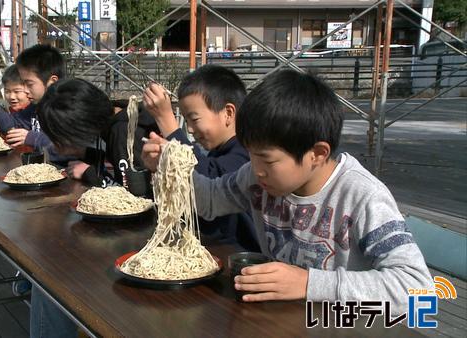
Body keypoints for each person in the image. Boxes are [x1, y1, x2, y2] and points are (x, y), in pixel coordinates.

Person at [142, 70, 433, 313]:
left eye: (267, 159)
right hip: (279, 319)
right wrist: (169, 166)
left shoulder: (361, 197)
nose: (255, 169)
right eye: (251, 155)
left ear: (317, 153)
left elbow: (418, 290)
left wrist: (309, 283)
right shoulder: (257, 180)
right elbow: (209, 200)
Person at [30, 77, 115, 338]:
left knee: (50, 274)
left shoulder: (123, 133)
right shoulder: (105, 132)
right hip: (107, 232)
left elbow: (135, 195)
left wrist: (90, 174)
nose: (56, 145)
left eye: (59, 137)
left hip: (126, 242)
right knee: (45, 260)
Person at [142, 65, 256, 249]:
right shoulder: (214, 152)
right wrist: (159, 166)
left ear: (228, 113)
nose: (190, 130)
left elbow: (211, 182)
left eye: (194, 119)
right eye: (186, 121)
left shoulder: (248, 154)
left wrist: (167, 121)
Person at [0, 44, 68, 163]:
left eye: (29, 84)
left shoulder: (69, 108)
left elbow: (73, 148)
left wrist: (33, 138)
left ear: (52, 82)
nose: (26, 90)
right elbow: (11, 126)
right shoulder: (36, 108)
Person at [63, 98, 159, 188]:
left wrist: (88, 172)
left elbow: (130, 191)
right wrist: (85, 152)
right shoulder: (121, 115)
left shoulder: (122, 131)